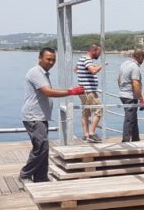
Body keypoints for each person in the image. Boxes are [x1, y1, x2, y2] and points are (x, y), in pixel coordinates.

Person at [20, 47, 84, 183]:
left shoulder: (44, 74)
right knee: (41, 146)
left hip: (41, 116)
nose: (51, 62)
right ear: (40, 58)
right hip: (34, 116)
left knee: (43, 147)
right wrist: (71, 92)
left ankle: (41, 177)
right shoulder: (35, 72)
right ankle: (25, 175)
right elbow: (47, 92)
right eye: (48, 59)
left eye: (53, 60)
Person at [75, 44, 105, 143]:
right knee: (99, 109)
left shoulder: (81, 58)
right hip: (89, 91)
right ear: (93, 51)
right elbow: (93, 71)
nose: (99, 55)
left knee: (86, 112)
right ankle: (91, 134)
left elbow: (75, 69)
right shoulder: (87, 59)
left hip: (82, 90)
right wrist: (102, 65)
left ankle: (86, 135)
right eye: (99, 53)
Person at [118, 48, 144, 142]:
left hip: (123, 94)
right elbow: (135, 84)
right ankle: (125, 141)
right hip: (130, 95)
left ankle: (135, 138)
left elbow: (119, 79)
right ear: (140, 56)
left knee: (133, 117)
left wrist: (122, 90)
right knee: (129, 119)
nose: (143, 60)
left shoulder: (124, 64)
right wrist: (141, 99)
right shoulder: (135, 67)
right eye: (143, 58)